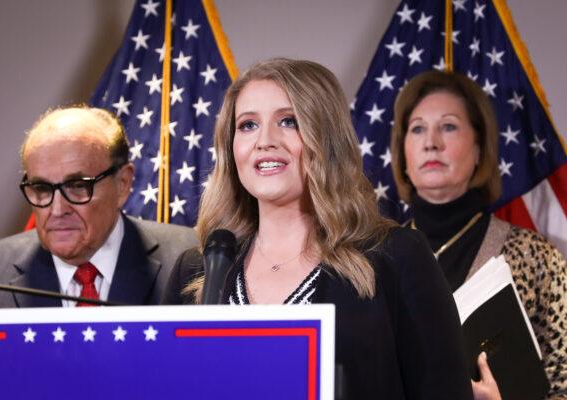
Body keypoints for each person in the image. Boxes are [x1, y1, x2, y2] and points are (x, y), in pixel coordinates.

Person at [163, 58, 472, 399]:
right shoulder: (196, 272)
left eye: (288, 121)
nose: (265, 140)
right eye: (248, 125)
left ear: (326, 139)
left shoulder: (395, 258)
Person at [390, 70, 567, 399]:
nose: (431, 142)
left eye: (449, 126)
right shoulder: (377, 260)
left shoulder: (536, 257)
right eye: (417, 129)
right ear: (402, 154)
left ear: (479, 147)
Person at [0, 106, 197, 308]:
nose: (57, 210)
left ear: (123, 184)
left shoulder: (195, 262)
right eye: (42, 188)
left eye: (77, 186)